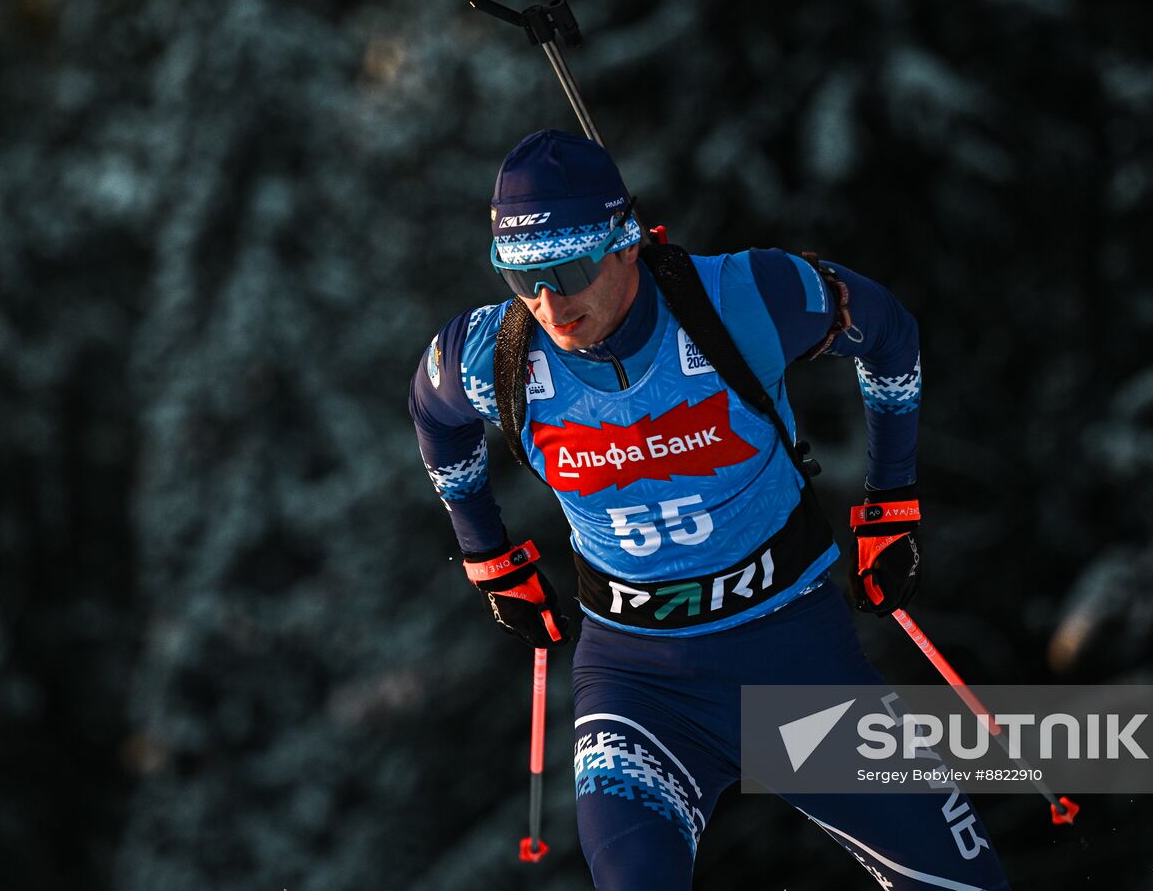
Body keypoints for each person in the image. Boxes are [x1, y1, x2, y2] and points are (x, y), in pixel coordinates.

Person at [409, 129, 1012, 890]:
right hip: (638, 685)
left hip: (795, 661)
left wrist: (891, 501)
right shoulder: (493, 352)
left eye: (570, 267)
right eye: (523, 275)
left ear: (626, 240)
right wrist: (487, 557)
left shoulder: (747, 298)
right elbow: (433, 415)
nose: (549, 301)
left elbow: (888, 332)